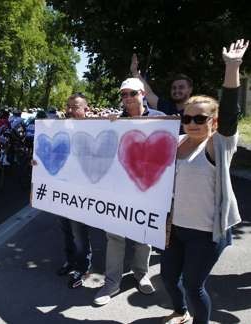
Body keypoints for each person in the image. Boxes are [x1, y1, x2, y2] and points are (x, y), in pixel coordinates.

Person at [160, 39, 247, 324]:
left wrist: (232, 67)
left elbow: (232, 114)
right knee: (169, 278)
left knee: (194, 287)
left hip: (206, 234)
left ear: (214, 121)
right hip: (176, 228)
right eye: (188, 117)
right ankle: (179, 311)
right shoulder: (178, 141)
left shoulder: (218, 144)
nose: (193, 122)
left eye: (200, 118)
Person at [93, 78, 164, 306]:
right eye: (123, 95)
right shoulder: (115, 121)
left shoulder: (162, 119)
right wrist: (107, 126)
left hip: (148, 189)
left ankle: (141, 273)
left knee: (144, 236)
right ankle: (112, 282)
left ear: (142, 93)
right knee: (114, 237)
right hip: (118, 190)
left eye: (131, 93)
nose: (127, 98)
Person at [56, 92, 94, 289]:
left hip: (82, 193)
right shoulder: (61, 128)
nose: (70, 110)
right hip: (62, 190)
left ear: (86, 109)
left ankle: (83, 267)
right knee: (65, 230)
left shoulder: (96, 129)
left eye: (75, 107)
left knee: (79, 233)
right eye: (68, 106)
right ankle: (70, 261)